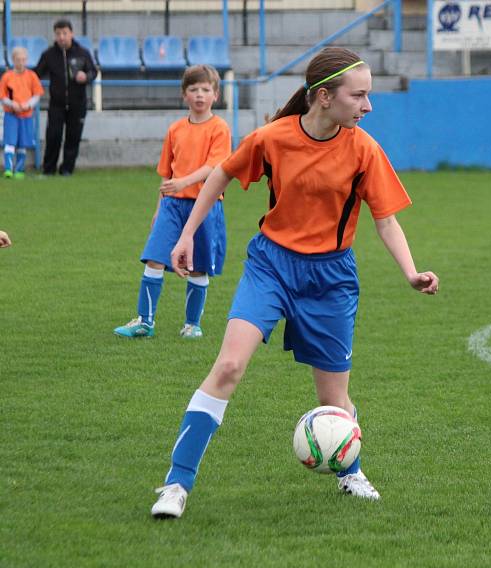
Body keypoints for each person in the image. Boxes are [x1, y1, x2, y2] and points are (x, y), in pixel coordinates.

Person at [150, 47, 439, 518]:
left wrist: (410, 272)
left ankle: (350, 471)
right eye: (359, 95)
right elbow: (221, 173)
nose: (368, 106)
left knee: (334, 400)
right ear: (324, 97)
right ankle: (176, 485)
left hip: (331, 278)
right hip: (271, 265)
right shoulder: (273, 138)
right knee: (227, 368)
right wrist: (185, 235)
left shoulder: (364, 148)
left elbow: (385, 220)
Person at [114, 65, 231, 340]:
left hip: (205, 206)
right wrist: (159, 207)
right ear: (184, 95)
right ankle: (145, 321)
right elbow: (167, 173)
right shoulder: (175, 129)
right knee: (154, 258)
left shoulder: (220, 128)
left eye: (205, 90)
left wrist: (184, 182)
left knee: (198, 265)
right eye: (193, 90)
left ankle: (192, 324)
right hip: (172, 206)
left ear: (216, 95)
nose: (199, 95)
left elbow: (215, 167)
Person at [34, 18, 97, 176]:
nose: (61, 37)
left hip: (78, 104)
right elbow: (35, 75)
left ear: (71, 34)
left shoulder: (83, 53)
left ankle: (67, 169)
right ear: (55, 36)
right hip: (56, 104)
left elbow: (93, 72)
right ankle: (48, 170)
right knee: (53, 136)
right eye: (58, 34)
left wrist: (86, 76)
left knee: (73, 137)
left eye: (64, 33)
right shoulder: (48, 55)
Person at [1, 47, 44, 179]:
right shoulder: (7, 76)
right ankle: (8, 169)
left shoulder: (32, 76)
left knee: (23, 143)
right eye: (18, 60)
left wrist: (28, 105)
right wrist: (11, 104)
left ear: (26, 60)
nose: (21, 62)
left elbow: (37, 95)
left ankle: (19, 170)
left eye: (23, 59)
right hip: (11, 115)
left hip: (26, 115)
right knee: (10, 141)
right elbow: (2, 96)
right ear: (13, 60)